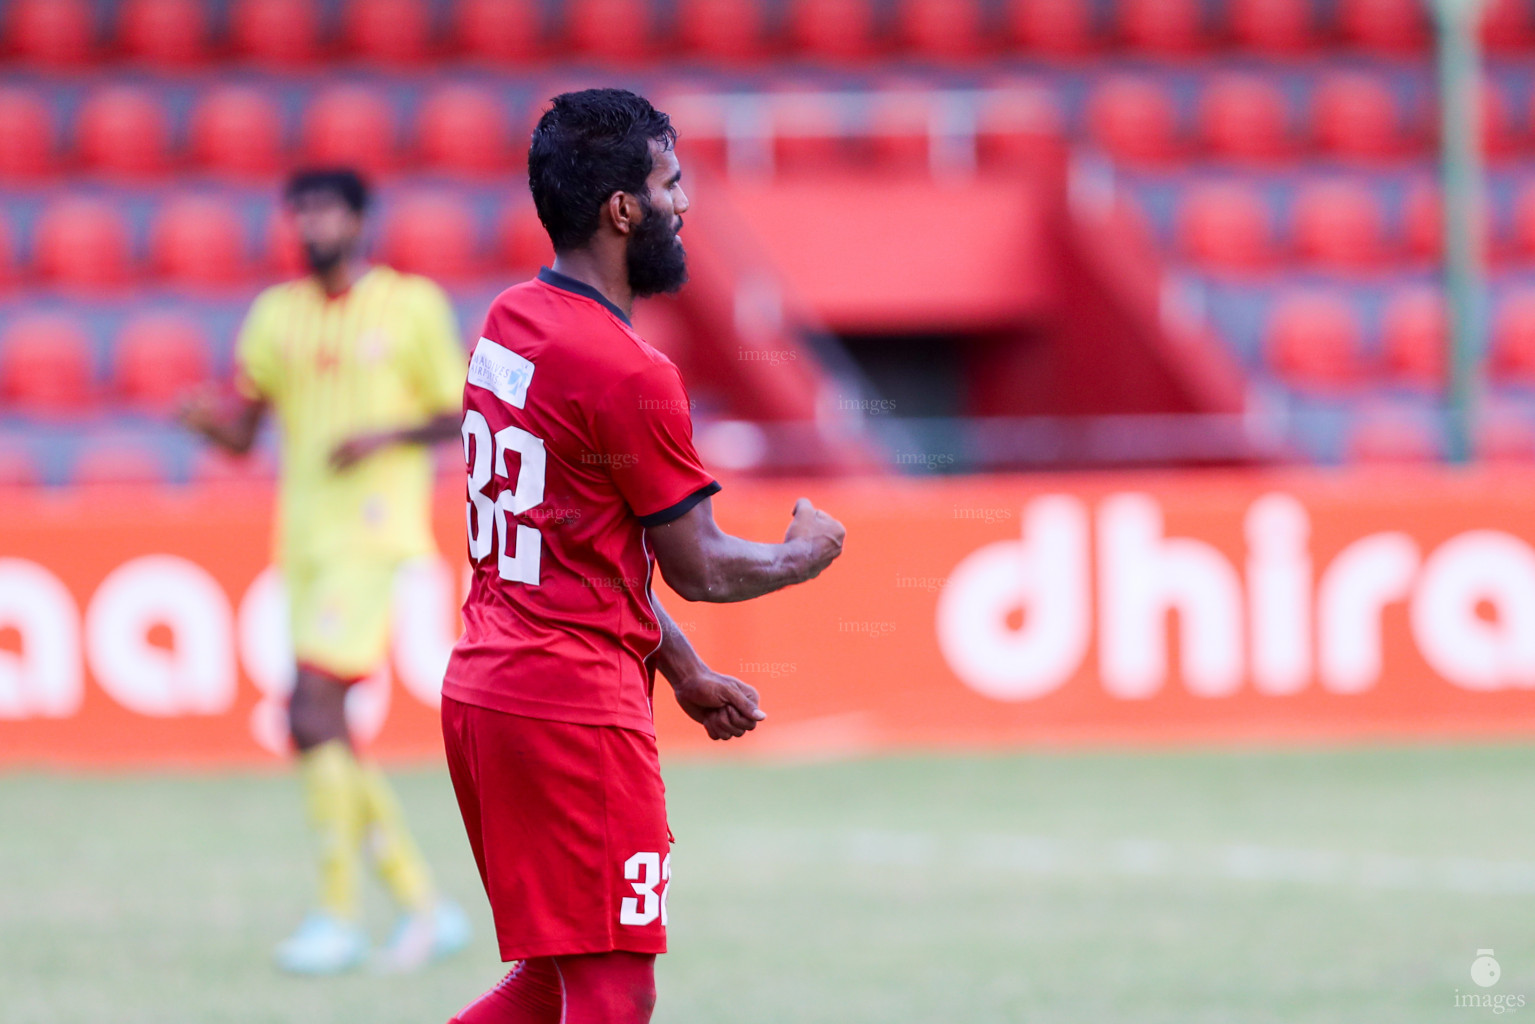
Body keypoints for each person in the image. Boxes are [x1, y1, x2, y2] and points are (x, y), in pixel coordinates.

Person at [441, 88, 846, 1024]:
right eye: (670, 182)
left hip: (488, 693)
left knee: (554, 982)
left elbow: (579, 542)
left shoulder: (509, 320)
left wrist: (687, 671)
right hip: (573, 712)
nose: (685, 202)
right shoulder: (630, 372)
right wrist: (801, 554)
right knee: (615, 992)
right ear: (622, 209)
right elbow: (701, 567)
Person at [179, 168, 472, 975]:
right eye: (301, 212)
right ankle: (420, 902)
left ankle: (342, 913)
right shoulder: (276, 316)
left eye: (328, 211)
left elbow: (461, 410)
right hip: (303, 539)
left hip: (372, 536)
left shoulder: (409, 306)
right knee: (320, 722)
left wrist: (381, 438)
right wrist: (211, 424)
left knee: (310, 709)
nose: (314, 225)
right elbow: (245, 435)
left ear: (358, 220)